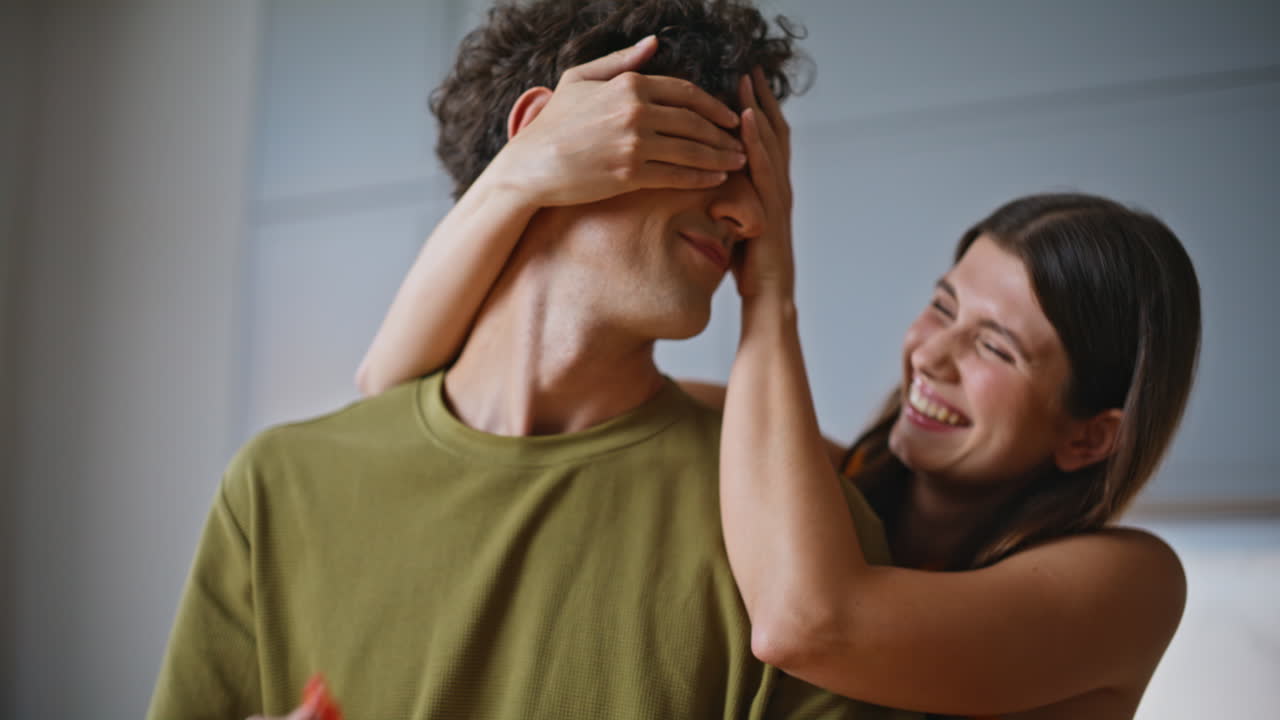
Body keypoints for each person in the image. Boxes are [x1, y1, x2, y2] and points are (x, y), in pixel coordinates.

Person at [358, 17, 1202, 720]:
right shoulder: (815, 485)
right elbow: (397, 394)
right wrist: (521, 176)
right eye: (944, 307)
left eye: (996, 347)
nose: (931, 355)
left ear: (1092, 436)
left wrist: (769, 285)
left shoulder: (1131, 584)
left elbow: (809, 623)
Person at [147, 2, 915, 719]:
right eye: (708, 151)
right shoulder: (277, 490)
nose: (751, 215)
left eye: (760, 179)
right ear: (552, 136)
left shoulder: (797, 543)